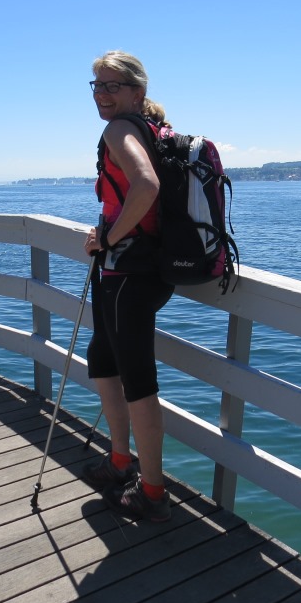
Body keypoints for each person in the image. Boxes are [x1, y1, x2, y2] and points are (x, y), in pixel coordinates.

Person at [81, 50, 175, 522]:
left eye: (112, 85)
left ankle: (153, 493)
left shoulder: (119, 129)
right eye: (96, 85)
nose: (102, 93)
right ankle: (121, 461)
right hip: (141, 271)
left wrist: (109, 239)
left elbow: (146, 186)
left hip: (129, 274)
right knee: (103, 359)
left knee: (138, 383)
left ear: (137, 91)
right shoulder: (152, 128)